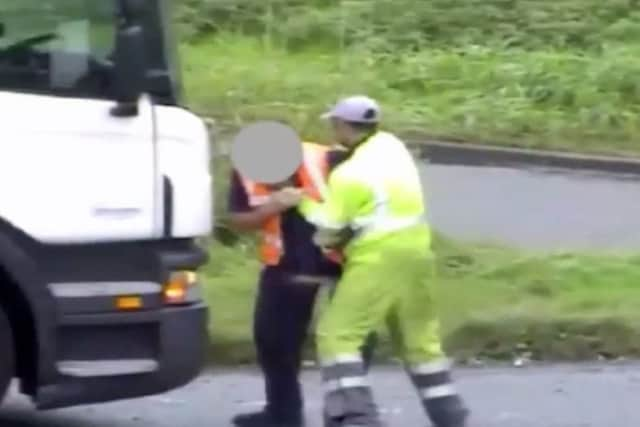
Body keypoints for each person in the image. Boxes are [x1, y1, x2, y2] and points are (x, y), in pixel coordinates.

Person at [296, 96, 470, 427]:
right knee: (421, 343)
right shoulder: (393, 148)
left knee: (338, 336)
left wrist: (303, 203)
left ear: (344, 126)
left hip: (378, 258)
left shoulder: (349, 175)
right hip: (417, 253)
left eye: (334, 124)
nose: (333, 130)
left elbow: (327, 232)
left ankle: (357, 418)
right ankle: (451, 417)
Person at [227, 139, 377, 427]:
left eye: (278, 177)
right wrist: (270, 207)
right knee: (273, 341)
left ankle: (347, 415)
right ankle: (283, 414)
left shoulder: (334, 163)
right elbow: (238, 219)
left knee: (351, 342)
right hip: (285, 265)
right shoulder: (246, 167)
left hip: (344, 262)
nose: (271, 183)